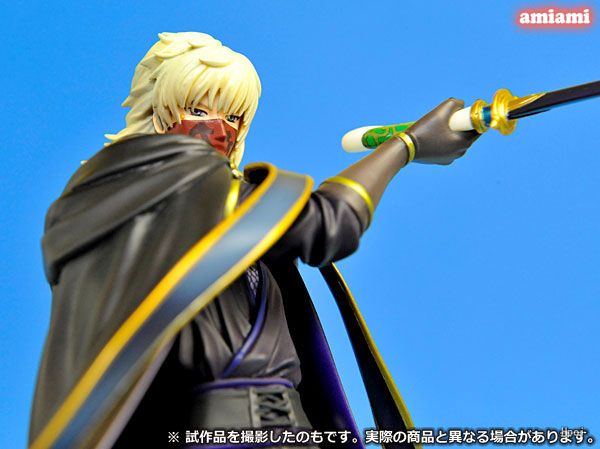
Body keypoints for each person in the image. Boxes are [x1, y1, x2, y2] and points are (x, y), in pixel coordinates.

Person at [29, 32, 479, 449]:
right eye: (198, 111)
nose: (219, 131)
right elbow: (329, 225)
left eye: (233, 117)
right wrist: (407, 146)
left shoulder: (214, 214)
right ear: (160, 114)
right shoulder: (157, 192)